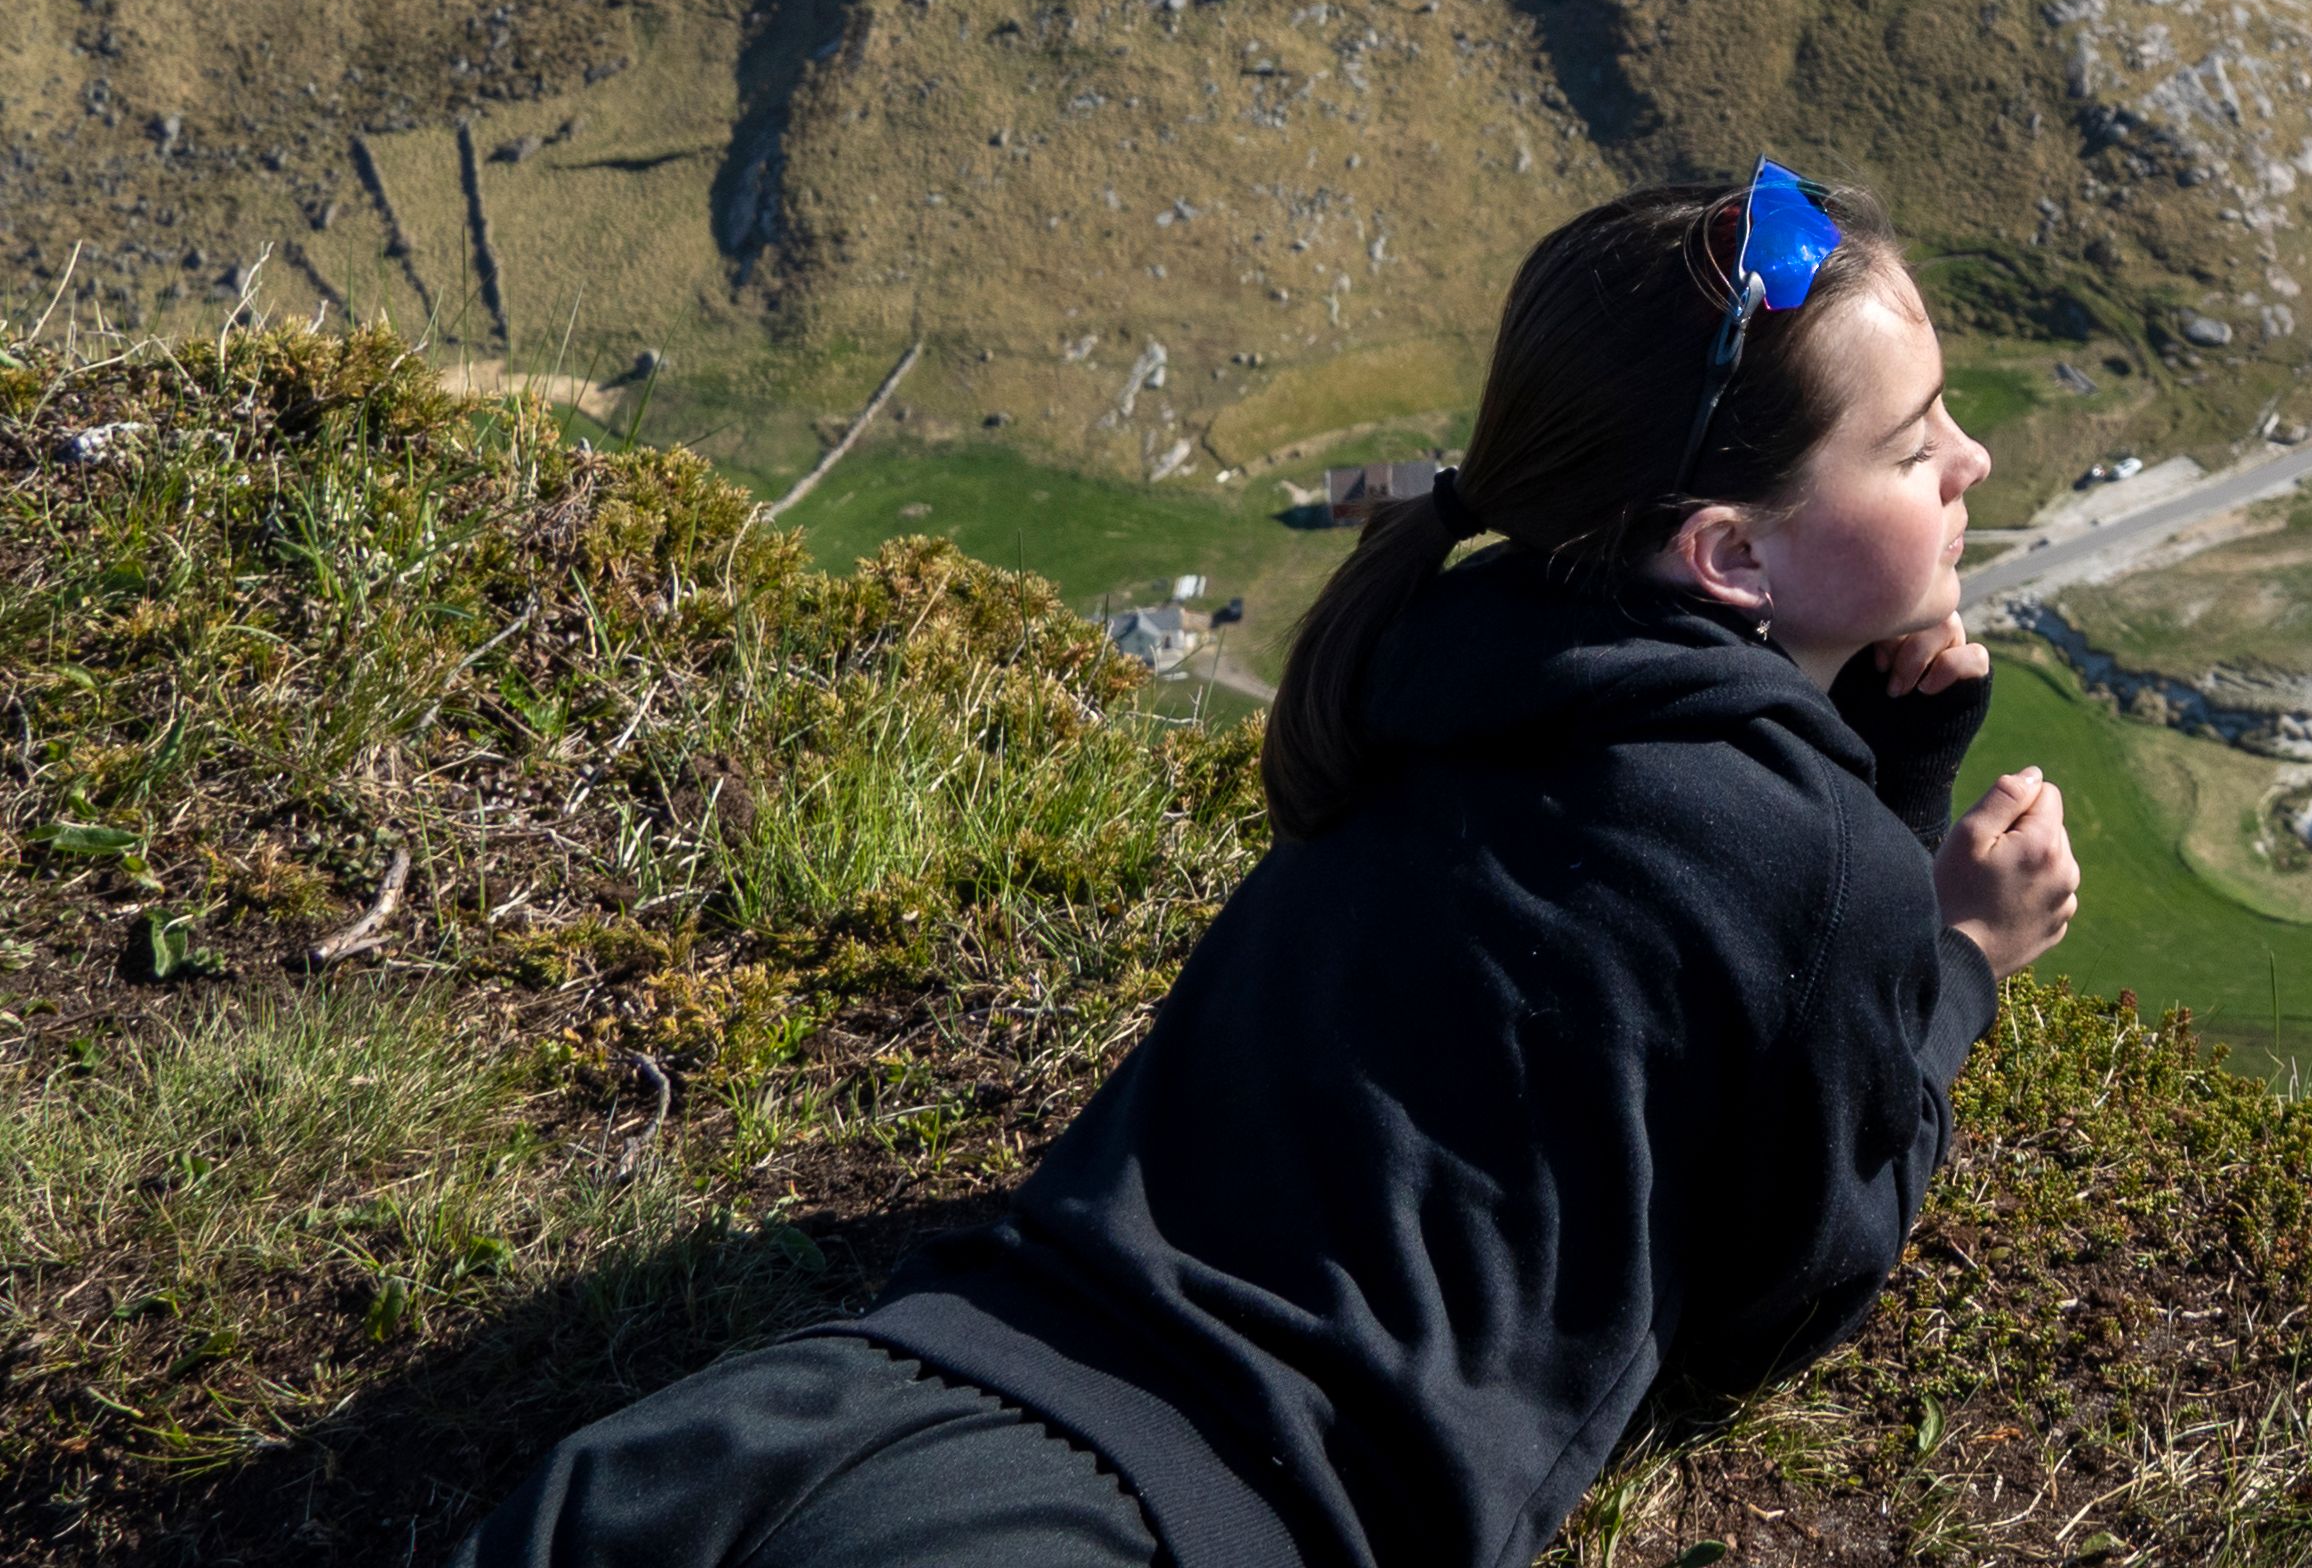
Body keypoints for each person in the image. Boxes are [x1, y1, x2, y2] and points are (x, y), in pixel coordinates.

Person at [462, 168, 2081, 1568]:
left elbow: (1675, 903)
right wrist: (1951, 959)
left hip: (845, 1401)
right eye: (1914, 438)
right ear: (1727, 553)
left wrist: (1873, 787)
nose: (1973, 464)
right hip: (1205, 1502)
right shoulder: (1812, 865)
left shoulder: (1439, 661)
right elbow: (1781, 1293)